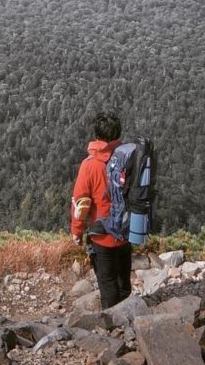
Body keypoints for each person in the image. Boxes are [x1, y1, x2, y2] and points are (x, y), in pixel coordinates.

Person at [70, 110, 132, 308]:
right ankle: (129, 315)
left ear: (96, 135)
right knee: (123, 283)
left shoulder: (89, 166)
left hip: (102, 235)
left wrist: (77, 232)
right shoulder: (128, 159)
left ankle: (114, 321)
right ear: (118, 135)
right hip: (126, 230)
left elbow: (81, 203)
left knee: (108, 284)